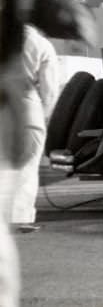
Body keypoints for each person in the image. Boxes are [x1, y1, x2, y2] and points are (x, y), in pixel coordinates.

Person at [0, 0, 96, 304]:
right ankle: (20, 219)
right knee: (21, 172)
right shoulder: (35, 40)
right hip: (22, 109)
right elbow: (50, 81)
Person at [7, 26, 58, 232]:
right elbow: (50, 90)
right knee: (26, 168)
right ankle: (18, 218)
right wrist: (44, 114)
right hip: (27, 110)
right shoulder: (41, 44)